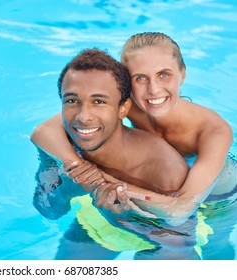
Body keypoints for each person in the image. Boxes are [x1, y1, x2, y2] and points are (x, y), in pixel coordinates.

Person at [31, 32, 235, 223]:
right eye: (140, 78)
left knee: (216, 251)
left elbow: (180, 211)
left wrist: (103, 182)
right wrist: (81, 170)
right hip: (161, 193)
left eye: (164, 75)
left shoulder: (214, 130)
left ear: (182, 74)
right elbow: (44, 132)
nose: (154, 90)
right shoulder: (129, 103)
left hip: (224, 197)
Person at [32, 48, 200, 259]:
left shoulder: (163, 167)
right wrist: (66, 190)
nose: (83, 117)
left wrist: (120, 217)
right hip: (100, 223)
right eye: (72, 100)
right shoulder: (61, 145)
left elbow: (180, 241)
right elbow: (47, 209)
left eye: (99, 101)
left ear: (123, 109)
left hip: (159, 236)